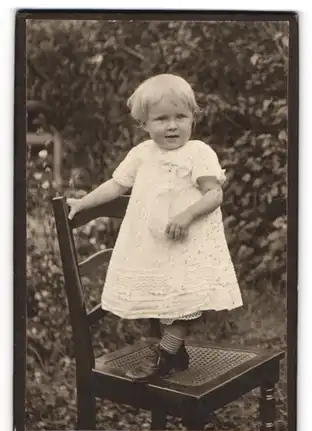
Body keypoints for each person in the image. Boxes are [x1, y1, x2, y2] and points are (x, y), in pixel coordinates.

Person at [67, 73, 243, 382]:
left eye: (180, 117)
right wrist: (84, 203)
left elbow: (215, 194)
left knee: (185, 298)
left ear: (193, 118)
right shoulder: (141, 154)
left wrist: (186, 215)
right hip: (154, 245)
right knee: (164, 296)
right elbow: (116, 184)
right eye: (161, 119)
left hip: (187, 242)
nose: (172, 125)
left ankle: (167, 352)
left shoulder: (198, 152)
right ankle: (175, 353)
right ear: (145, 124)